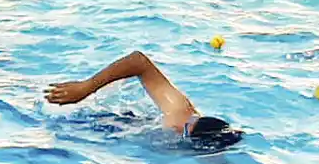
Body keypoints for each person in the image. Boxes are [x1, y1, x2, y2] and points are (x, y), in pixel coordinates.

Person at [45, 51, 243, 149]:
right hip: (96, 120)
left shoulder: (183, 132)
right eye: (185, 124)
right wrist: (86, 87)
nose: (178, 127)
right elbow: (138, 60)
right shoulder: (180, 110)